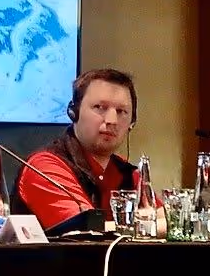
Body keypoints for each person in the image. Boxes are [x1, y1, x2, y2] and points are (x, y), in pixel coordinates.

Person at [13, 68, 140, 228]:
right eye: (100, 107)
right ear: (74, 112)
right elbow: (87, 228)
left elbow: (166, 218)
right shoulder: (44, 166)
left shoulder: (128, 173)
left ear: (132, 122)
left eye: (121, 111)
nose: (112, 120)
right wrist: (147, 225)